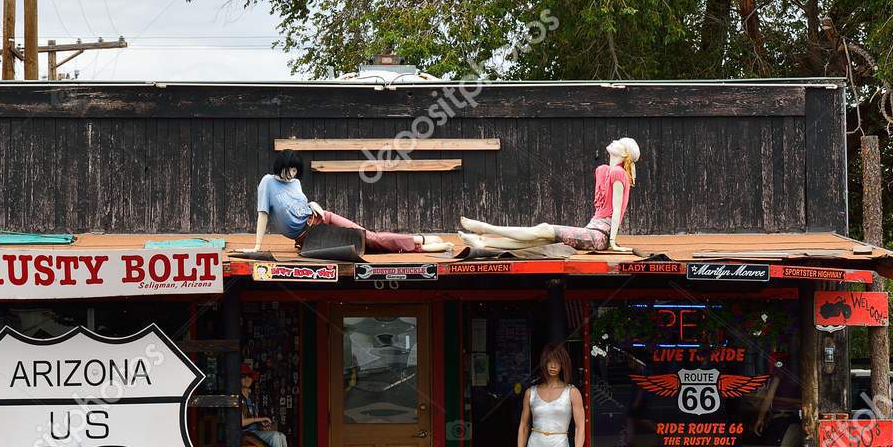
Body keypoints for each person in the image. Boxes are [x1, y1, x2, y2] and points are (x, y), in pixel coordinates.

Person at [252, 150, 449, 255]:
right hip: (308, 239)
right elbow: (263, 214)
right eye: (290, 170)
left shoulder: (295, 183)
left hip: (322, 220)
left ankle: (418, 240)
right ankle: (419, 247)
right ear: (280, 166)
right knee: (363, 249)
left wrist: (312, 203)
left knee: (368, 238)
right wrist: (256, 248)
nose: (292, 175)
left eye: (296, 171)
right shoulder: (268, 182)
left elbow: (300, 205)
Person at [460, 136, 639, 252]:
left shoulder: (618, 173)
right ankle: (483, 242)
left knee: (543, 229)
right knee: (535, 242)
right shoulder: (603, 170)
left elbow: (616, 211)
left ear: (624, 152)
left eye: (619, 142)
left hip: (600, 236)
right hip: (591, 230)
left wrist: (613, 243)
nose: (614, 141)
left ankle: (485, 228)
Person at [241, 363, 296, 447]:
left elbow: (252, 420)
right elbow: (241, 422)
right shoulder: (237, 398)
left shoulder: (250, 398)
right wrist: (260, 419)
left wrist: (261, 425)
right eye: (244, 376)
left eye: (249, 376)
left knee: (281, 436)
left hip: (255, 432)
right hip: (245, 434)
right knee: (275, 436)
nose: (247, 379)